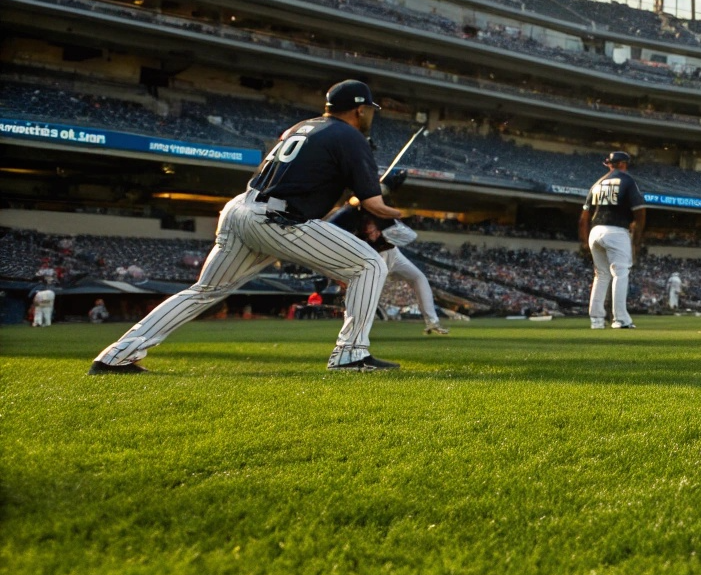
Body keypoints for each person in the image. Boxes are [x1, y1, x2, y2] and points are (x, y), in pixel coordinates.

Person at [90, 79, 403, 373]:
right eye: (369, 110)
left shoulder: (304, 127)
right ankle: (351, 353)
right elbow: (373, 205)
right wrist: (402, 211)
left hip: (242, 210)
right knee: (370, 263)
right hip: (279, 220)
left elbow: (308, 183)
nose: (369, 116)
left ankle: (115, 355)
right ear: (359, 109)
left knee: (203, 291)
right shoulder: (351, 136)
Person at [327, 178, 449, 336]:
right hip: (373, 256)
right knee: (368, 290)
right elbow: (333, 227)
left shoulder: (377, 207)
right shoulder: (351, 213)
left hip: (392, 252)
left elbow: (394, 201)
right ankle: (354, 326)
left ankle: (432, 322)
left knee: (419, 278)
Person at [581, 149, 646, 330]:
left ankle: (596, 320)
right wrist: (637, 239)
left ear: (609, 164)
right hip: (616, 231)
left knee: (601, 275)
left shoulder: (597, 184)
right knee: (620, 273)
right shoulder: (627, 180)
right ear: (624, 164)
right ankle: (620, 319)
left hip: (595, 231)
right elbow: (640, 211)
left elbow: (584, 217)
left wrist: (585, 241)